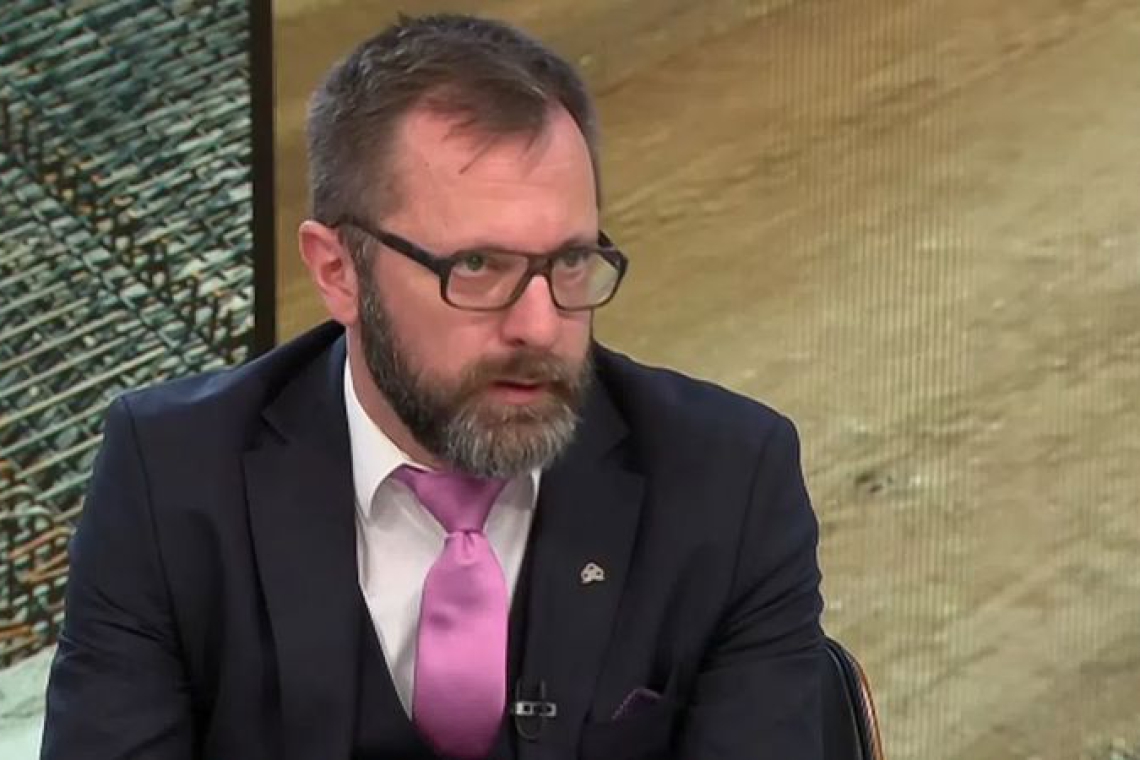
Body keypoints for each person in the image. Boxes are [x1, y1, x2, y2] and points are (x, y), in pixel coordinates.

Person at [40, 13, 823, 760]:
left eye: (570, 262)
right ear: (338, 272)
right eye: (476, 266)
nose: (540, 327)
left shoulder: (728, 482)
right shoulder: (173, 479)